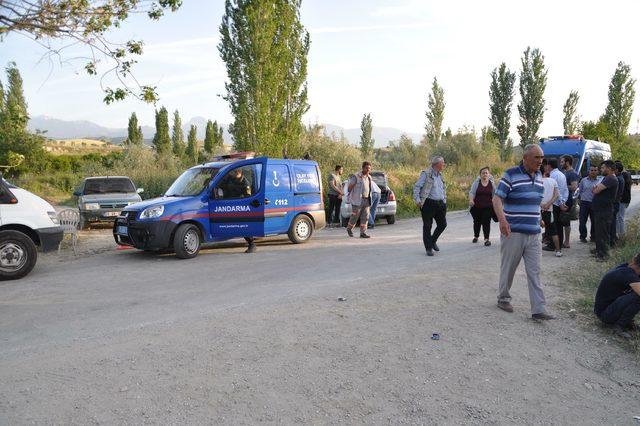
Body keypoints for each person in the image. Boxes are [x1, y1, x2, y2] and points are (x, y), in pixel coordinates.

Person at [493, 144, 555, 320]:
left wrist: (538, 218)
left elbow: (534, 202)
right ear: (526, 157)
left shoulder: (539, 177)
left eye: (542, 158)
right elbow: (497, 198)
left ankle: (538, 309)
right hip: (513, 232)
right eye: (537, 157)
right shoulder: (511, 174)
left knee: (535, 271)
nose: (540, 161)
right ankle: (503, 298)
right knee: (509, 268)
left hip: (534, 233)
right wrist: (502, 220)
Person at [594, 252, 640, 339]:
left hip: (607, 308)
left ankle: (626, 322)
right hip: (605, 314)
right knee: (637, 297)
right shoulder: (629, 275)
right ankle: (619, 326)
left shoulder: (627, 267)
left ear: (634, 260)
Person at [414, 156, 447, 257]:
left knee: (443, 224)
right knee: (427, 226)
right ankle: (428, 248)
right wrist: (417, 200)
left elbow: (443, 188)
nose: (444, 164)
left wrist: (444, 200)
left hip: (440, 203)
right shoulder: (426, 174)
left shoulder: (440, 175)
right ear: (437, 164)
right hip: (428, 203)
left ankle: (432, 241)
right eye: (443, 163)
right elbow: (417, 186)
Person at [220, 168, 256, 253]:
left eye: (235, 172)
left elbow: (248, 197)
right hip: (227, 205)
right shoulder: (231, 179)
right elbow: (221, 185)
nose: (234, 173)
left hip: (238, 206)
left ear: (240, 172)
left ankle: (252, 244)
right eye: (233, 172)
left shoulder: (245, 183)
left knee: (241, 225)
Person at [591, 160, 619, 260]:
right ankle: (599, 252)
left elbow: (596, 190)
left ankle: (604, 255)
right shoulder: (607, 178)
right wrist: (595, 189)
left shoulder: (611, 178)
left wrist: (596, 189)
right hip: (600, 210)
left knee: (603, 233)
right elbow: (594, 189)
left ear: (609, 168)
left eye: (603, 168)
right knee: (599, 232)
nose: (601, 170)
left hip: (604, 211)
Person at [546, 158, 569, 252]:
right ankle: (559, 243)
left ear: (549, 166)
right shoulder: (562, 174)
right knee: (559, 225)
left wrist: (559, 203)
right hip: (560, 202)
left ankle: (553, 245)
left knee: (553, 225)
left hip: (555, 203)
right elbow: (565, 190)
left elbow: (556, 191)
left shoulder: (553, 176)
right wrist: (563, 202)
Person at [468, 167, 495, 246]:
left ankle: (487, 239)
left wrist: (495, 203)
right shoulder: (476, 183)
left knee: (486, 222)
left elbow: (495, 194)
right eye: (483, 173)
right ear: (480, 175)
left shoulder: (492, 184)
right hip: (476, 207)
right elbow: (472, 193)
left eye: (486, 173)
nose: (485, 174)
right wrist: (471, 200)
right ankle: (476, 236)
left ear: (489, 174)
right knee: (477, 222)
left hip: (488, 207)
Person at [346, 162, 373, 239]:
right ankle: (349, 228)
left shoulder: (369, 177)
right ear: (363, 168)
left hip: (366, 200)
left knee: (365, 217)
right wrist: (350, 197)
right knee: (355, 216)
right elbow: (349, 187)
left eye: (369, 168)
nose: (368, 170)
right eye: (367, 168)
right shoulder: (356, 176)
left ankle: (363, 233)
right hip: (357, 200)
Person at [540, 163, 561, 257]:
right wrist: (549, 204)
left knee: (535, 231)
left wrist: (542, 205)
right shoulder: (553, 181)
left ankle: (534, 252)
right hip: (549, 209)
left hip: (538, 209)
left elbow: (534, 196)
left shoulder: (536, 181)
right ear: (545, 171)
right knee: (553, 231)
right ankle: (558, 250)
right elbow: (556, 195)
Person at [560, 155, 580, 248]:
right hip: (563, 199)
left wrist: (562, 186)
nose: (561, 163)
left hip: (568, 200)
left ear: (567, 163)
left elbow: (574, 187)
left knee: (566, 220)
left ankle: (567, 242)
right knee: (562, 220)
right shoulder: (565, 172)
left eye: (562, 162)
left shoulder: (572, 173)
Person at [576, 165, 599, 243]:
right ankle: (582, 237)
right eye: (591, 170)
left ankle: (593, 237)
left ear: (597, 172)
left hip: (594, 203)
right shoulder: (583, 180)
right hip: (584, 203)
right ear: (589, 171)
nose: (593, 172)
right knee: (582, 221)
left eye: (595, 170)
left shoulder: (600, 181)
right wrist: (579, 199)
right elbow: (580, 190)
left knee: (594, 221)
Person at [610, 162, 625, 247]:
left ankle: (613, 240)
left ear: (617, 170)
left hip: (615, 202)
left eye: (613, 169)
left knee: (613, 222)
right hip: (617, 202)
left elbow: (616, 193)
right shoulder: (620, 178)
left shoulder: (618, 179)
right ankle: (614, 238)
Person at [617, 161, 632, 238]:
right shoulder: (628, 174)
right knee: (621, 217)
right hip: (626, 199)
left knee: (619, 217)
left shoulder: (622, 176)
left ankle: (621, 235)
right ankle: (621, 234)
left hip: (622, 199)